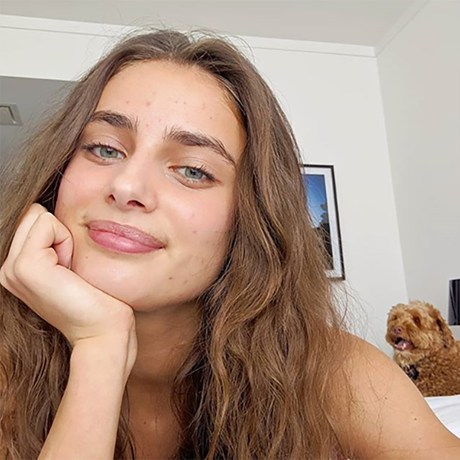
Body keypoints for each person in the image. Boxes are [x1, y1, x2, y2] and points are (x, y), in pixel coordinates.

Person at [0, 29, 459, 460]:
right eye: (104, 148)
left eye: (193, 170)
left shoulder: (334, 373)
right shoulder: (9, 368)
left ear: (250, 220)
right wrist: (99, 352)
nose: (126, 186)